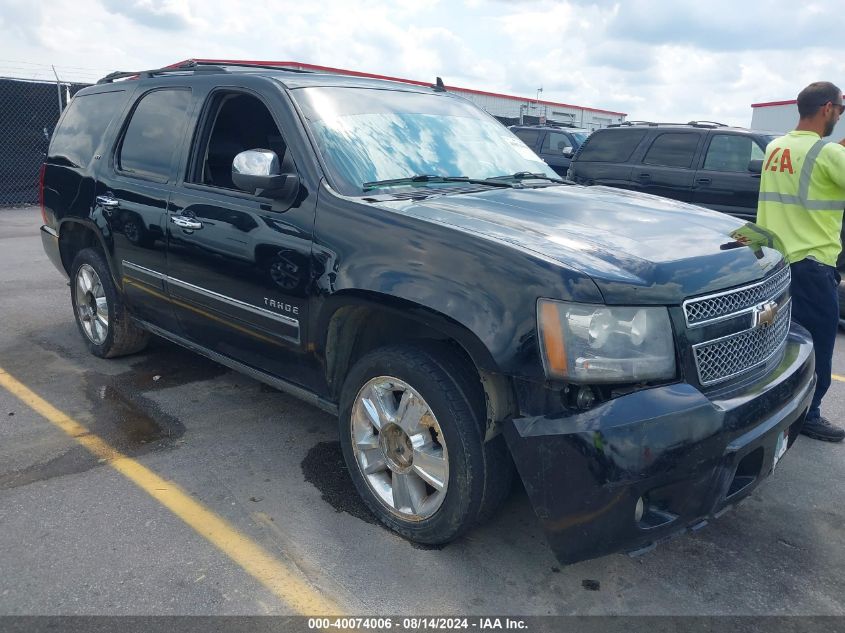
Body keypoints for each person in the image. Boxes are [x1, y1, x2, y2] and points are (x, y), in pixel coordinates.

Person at [757, 81, 845, 442]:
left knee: (780, 341)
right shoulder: (827, 155)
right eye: (840, 109)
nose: (839, 115)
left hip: (774, 262)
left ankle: (775, 405)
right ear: (826, 108)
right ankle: (809, 413)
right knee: (818, 343)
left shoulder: (775, 147)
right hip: (813, 266)